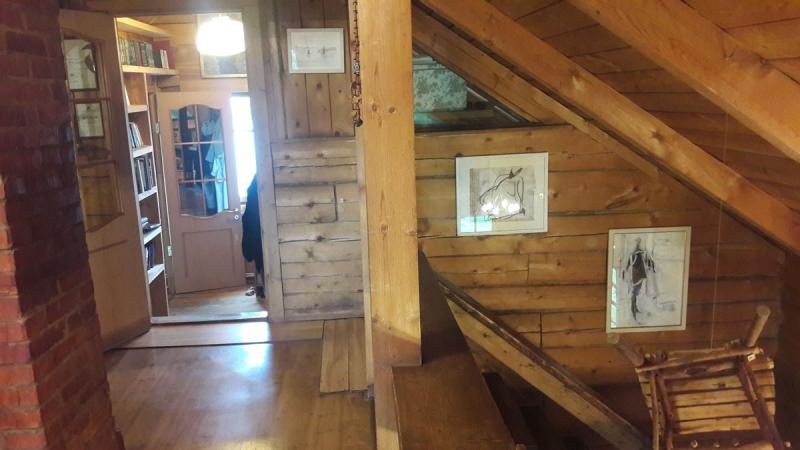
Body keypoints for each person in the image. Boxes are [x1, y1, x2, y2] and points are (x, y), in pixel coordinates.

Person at [622, 238, 657, 321]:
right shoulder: (638, 254)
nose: (639, 244)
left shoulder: (638, 254)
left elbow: (628, 265)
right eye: (638, 243)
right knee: (635, 292)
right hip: (637, 276)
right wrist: (652, 267)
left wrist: (652, 267)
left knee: (636, 292)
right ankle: (633, 309)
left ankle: (634, 307)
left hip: (638, 276)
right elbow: (628, 265)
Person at [241, 176, 264, 297]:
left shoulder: (257, 182)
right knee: (260, 255)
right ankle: (260, 286)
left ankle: (260, 287)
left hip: (257, 224)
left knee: (259, 256)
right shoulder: (258, 181)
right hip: (257, 224)